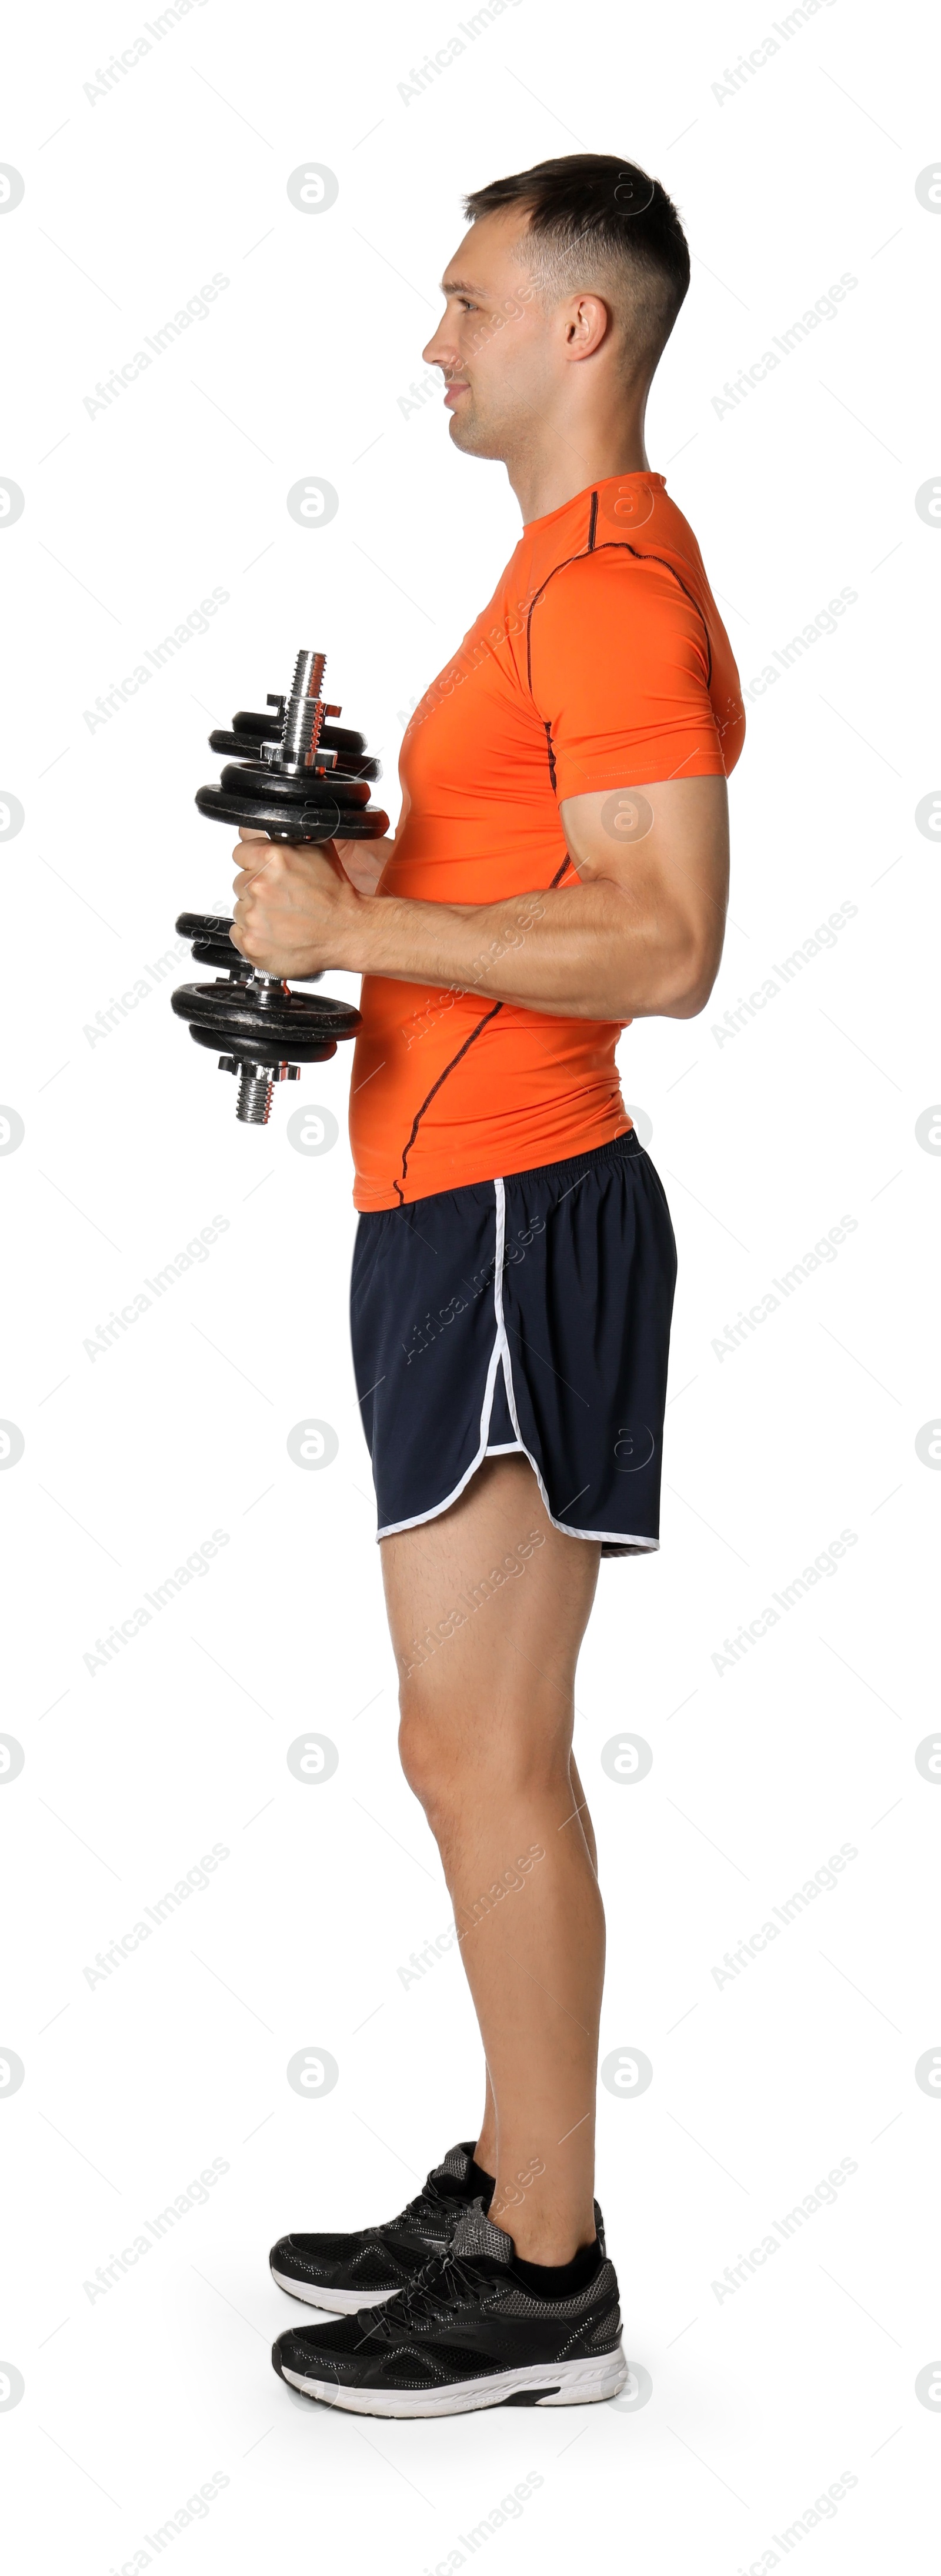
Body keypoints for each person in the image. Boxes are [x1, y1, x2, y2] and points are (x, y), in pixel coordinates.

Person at [231, 151, 745, 2418]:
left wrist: (355, 933)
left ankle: (549, 2285)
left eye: (463, 303)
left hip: (525, 1210)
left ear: (582, 330)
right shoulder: (543, 582)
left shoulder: (614, 583)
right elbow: (528, 885)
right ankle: (521, 2180)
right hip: (455, 1203)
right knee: (468, 1750)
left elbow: (665, 942)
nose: (432, 340)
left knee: (483, 1754)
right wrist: (356, 911)